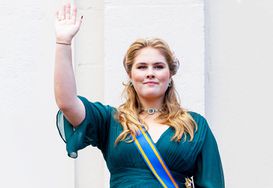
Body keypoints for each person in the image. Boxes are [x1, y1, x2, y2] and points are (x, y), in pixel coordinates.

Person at [54, 3, 225, 188]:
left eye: (158, 67)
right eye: (142, 67)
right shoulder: (111, 121)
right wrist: (63, 43)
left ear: (170, 76)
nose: (150, 73)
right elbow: (67, 103)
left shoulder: (194, 126)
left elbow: (212, 184)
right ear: (130, 75)